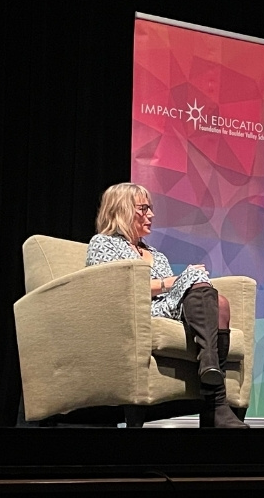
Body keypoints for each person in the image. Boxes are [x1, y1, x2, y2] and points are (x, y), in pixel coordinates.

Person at [85, 182, 248, 429]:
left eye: (151, 208)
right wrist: (168, 283)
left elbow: (175, 293)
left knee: (218, 301)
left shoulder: (155, 253)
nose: (151, 214)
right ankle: (215, 400)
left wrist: (181, 281)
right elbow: (114, 287)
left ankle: (211, 374)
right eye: (144, 208)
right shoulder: (103, 243)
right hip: (136, 312)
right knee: (214, 298)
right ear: (122, 209)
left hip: (168, 310)